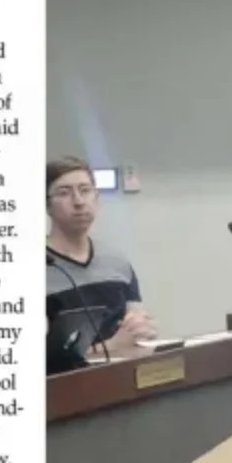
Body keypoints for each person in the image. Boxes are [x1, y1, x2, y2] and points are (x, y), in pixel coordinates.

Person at [45, 156, 156, 372]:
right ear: (46, 205)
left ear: (96, 198)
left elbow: (135, 324)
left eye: (85, 190)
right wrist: (111, 346)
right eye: (64, 193)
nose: (78, 201)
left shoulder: (117, 262)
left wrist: (141, 329)